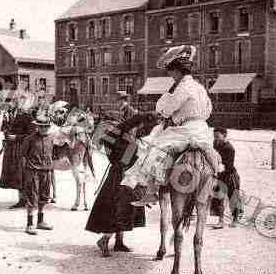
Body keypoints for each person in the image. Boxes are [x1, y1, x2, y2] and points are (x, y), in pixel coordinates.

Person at [120, 45, 221, 205]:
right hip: (202, 130)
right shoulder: (200, 87)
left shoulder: (182, 87)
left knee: (153, 149)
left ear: (177, 71)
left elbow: (166, 110)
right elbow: (209, 110)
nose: (171, 76)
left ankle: (152, 191)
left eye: (171, 72)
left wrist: (167, 106)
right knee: (211, 155)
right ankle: (214, 179)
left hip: (184, 130)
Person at [86, 115, 150, 257]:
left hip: (123, 174)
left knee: (125, 208)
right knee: (117, 208)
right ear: (130, 128)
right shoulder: (122, 142)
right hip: (120, 176)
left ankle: (119, 242)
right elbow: (126, 160)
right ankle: (104, 240)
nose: (137, 131)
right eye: (136, 128)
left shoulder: (121, 140)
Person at [21, 114, 54, 235]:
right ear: (37, 127)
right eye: (41, 126)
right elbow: (23, 156)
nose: (43, 129)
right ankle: (29, 224)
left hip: (46, 170)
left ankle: (40, 221)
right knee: (31, 197)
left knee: (44, 196)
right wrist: (26, 173)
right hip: (33, 170)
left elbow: (52, 154)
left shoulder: (51, 139)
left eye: (46, 127)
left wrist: (50, 169)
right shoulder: (29, 139)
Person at [0, 101, 35, 208]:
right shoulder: (11, 115)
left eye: (17, 102)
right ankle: (21, 199)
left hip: (22, 149)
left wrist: (17, 137)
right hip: (13, 148)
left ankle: (26, 199)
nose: (13, 104)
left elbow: (31, 134)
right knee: (17, 174)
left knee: (22, 173)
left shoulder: (28, 117)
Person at [211, 127, 243, 229]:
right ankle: (220, 221)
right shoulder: (215, 144)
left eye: (217, 136)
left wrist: (218, 169)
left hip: (230, 176)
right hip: (219, 174)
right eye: (214, 136)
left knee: (233, 197)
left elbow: (228, 166)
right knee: (218, 198)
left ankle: (235, 219)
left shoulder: (229, 148)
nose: (216, 138)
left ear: (224, 135)